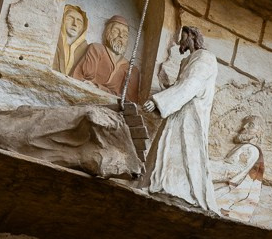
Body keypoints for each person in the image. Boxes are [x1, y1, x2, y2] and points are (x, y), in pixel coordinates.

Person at [142, 25, 219, 210]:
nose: (179, 41)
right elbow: (182, 86)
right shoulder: (187, 61)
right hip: (179, 109)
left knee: (185, 149)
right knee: (167, 146)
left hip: (191, 114)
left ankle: (181, 192)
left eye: (182, 36)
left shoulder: (205, 58)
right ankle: (159, 184)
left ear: (192, 36)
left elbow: (191, 85)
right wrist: (167, 94)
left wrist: (158, 101)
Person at [72, 14, 138, 99]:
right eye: (116, 31)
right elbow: (84, 80)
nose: (120, 36)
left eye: (125, 34)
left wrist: (98, 87)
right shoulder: (96, 49)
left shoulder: (132, 70)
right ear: (107, 33)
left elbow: (128, 101)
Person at [52, 4, 89, 75]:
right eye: (70, 18)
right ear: (62, 20)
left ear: (83, 27)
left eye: (79, 21)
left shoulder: (86, 51)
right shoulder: (53, 40)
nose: (75, 24)